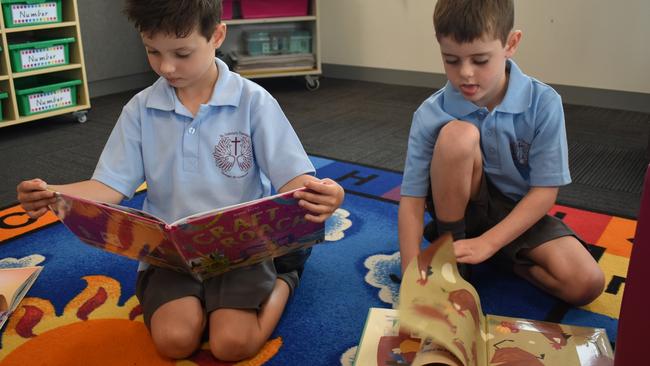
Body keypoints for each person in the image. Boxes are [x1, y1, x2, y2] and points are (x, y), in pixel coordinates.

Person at [16, 0, 344, 361]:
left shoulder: (253, 102)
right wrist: (52, 194)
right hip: (170, 254)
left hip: (241, 250)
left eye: (182, 53)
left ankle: (286, 275)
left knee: (232, 345)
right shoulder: (140, 109)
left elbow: (293, 179)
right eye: (152, 52)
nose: (167, 67)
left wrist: (325, 193)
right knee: (174, 341)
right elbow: (108, 186)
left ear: (217, 35)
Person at [398, 0, 604, 306]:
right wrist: (409, 278)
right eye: (451, 60)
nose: (465, 74)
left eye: (480, 60)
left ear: (511, 43)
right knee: (458, 136)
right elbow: (412, 202)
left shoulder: (544, 103)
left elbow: (544, 193)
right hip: (459, 210)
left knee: (587, 283)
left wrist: (489, 244)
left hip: (518, 214)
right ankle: (454, 252)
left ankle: (500, 258)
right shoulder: (431, 113)